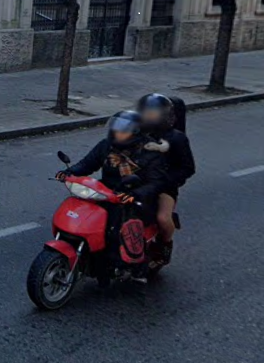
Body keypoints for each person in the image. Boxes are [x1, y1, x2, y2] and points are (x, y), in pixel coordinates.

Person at [58, 110, 172, 269]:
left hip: (135, 197)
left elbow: (156, 183)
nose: (117, 133)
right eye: (115, 129)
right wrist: (69, 173)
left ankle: (119, 263)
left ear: (135, 133)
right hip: (106, 192)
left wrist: (135, 193)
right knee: (82, 207)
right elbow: (88, 163)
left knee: (114, 227)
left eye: (122, 130)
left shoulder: (150, 152)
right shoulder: (106, 146)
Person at [135, 93, 196, 265]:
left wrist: (164, 182)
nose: (148, 116)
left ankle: (165, 244)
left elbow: (188, 168)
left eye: (152, 112)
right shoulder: (138, 132)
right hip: (136, 180)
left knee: (162, 218)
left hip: (164, 186)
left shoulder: (176, 138)